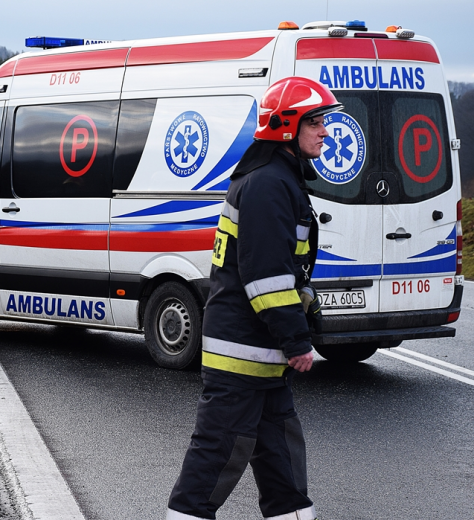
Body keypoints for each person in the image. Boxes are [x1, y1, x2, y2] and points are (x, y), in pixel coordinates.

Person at [166, 77, 341, 520]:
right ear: (287, 126)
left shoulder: (276, 178)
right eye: (316, 121)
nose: (326, 131)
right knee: (216, 458)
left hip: (261, 354)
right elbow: (265, 278)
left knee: (281, 459)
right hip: (242, 355)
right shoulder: (268, 184)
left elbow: (281, 269)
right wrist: (298, 341)